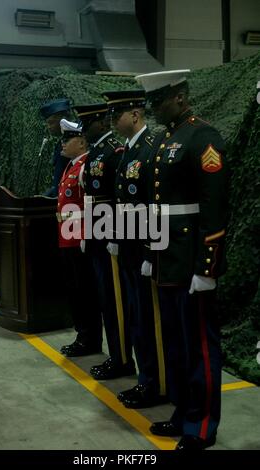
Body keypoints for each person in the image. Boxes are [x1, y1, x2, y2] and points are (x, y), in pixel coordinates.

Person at [136, 69, 228, 450]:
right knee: (175, 341)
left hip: (191, 258)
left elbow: (215, 205)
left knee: (200, 346)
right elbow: (156, 205)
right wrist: (148, 253)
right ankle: (183, 411)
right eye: (151, 102)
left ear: (180, 96)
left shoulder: (202, 136)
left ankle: (202, 425)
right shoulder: (165, 139)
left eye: (159, 101)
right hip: (166, 256)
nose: (154, 108)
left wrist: (207, 267)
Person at [102, 90, 168, 408]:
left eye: (119, 115)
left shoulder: (150, 149)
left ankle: (155, 384)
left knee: (148, 319)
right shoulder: (127, 150)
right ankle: (146, 380)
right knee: (136, 319)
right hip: (129, 248)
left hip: (144, 250)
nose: (114, 121)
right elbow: (122, 202)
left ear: (136, 115)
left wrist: (150, 251)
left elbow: (155, 205)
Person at [72, 102, 136, 380]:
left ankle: (122, 358)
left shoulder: (113, 152)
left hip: (109, 235)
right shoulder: (97, 152)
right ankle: (115, 354)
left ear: (101, 123)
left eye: (89, 124)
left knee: (114, 300)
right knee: (104, 299)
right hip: (97, 234)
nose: (85, 130)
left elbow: (119, 198)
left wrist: (114, 236)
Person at [58, 119, 102, 357]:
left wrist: (85, 235)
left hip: (79, 240)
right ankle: (82, 335)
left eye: (68, 139)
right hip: (67, 237)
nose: (62, 144)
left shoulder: (86, 166)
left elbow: (90, 205)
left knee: (85, 292)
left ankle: (90, 339)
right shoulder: (71, 166)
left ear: (82, 141)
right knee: (75, 290)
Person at [40, 99, 72, 197]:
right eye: (47, 123)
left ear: (63, 121)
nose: (49, 127)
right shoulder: (61, 143)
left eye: (51, 122)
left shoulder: (71, 143)